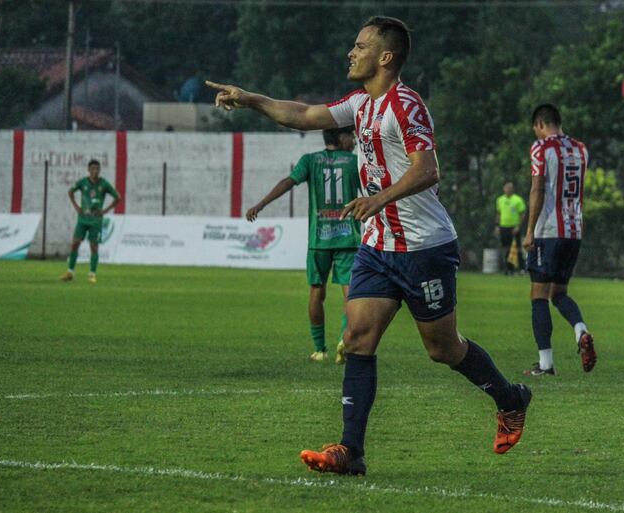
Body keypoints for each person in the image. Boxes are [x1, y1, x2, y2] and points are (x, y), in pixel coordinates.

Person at [207, 15, 531, 476]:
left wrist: (377, 198)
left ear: (385, 57)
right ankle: (350, 451)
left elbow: (428, 169)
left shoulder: (407, 105)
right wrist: (249, 99)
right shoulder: (361, 104)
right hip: (378, 247)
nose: (350, 52)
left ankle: (510, 397)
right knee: (358, 338)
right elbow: (302, 115)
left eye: (360, 46)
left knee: (442, 349)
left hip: (424, 247)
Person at [246, 127, 361, 363]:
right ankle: (344, 340)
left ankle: (320, 350)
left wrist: (261, 204)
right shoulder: (354, 162)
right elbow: (372, 190)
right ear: (340, 138)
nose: (354, 140)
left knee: (316, 292)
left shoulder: (310, 160)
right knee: (351, 293)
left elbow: (288, 182)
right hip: (347, 237)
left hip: (319, 239)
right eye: (350, 135)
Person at [522, 104, 597, 377]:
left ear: (540, 124)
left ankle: (545, 365)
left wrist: (530, 230)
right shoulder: (581, 149)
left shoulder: (541, 149)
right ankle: (581, 331)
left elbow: (537, 188)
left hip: (548, 231)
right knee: (559, 293)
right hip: (574, 230)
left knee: (538, 295)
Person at [60, 159, 120, 284]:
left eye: (97, 169)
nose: (95, 171)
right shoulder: (83, 182)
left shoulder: (103, 184)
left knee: (94, 246)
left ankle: (92, 274)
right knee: (75, 243)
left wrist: (105, 211)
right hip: (83, 219)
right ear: (88, 170)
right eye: (92, 169)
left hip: (96, 221)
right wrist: (77, 207)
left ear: (99, 170)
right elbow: (70, 191)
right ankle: (70, 272)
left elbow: (117, 197)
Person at [495, 181, 526, 274]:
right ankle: (509, 269)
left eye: (510, 188)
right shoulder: (500, 200)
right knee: (506, 248)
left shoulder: (518, 200)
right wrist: (497, 226)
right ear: (504, 189)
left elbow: (523, 214)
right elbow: (498, 213)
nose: (508, 189)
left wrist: (518, 226)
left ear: (513, 189)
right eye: (506, 187)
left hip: (514, 227)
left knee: (517, 248)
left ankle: (522, 268)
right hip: (504, 227)